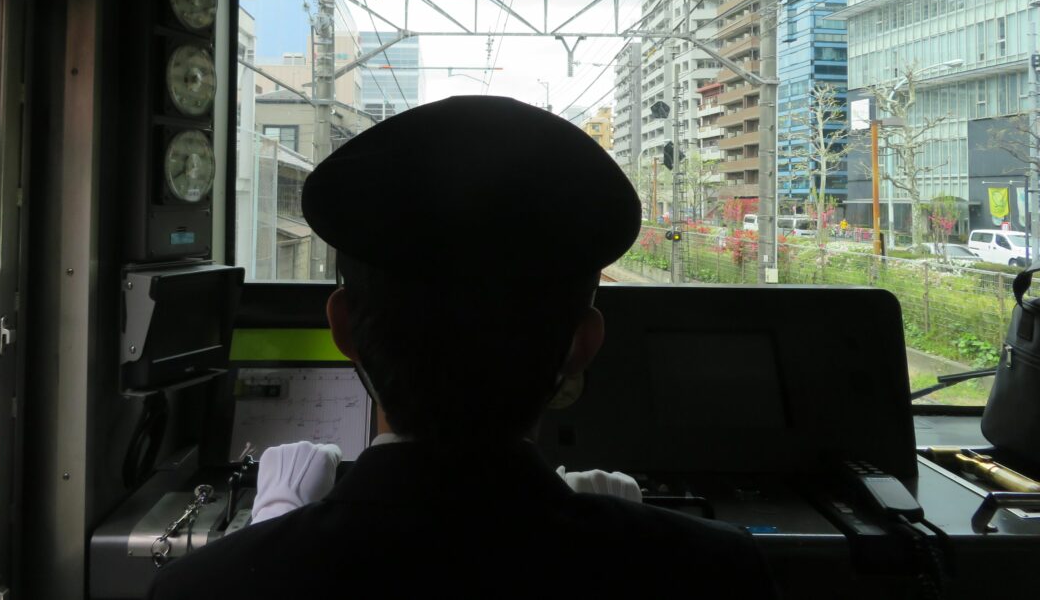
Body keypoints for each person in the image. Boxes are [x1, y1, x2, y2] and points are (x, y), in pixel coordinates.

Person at [149, 96, 777, 598]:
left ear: (344, 330)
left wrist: (271, 527)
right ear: (581, 346)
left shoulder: (197, 588)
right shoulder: (718, 574)